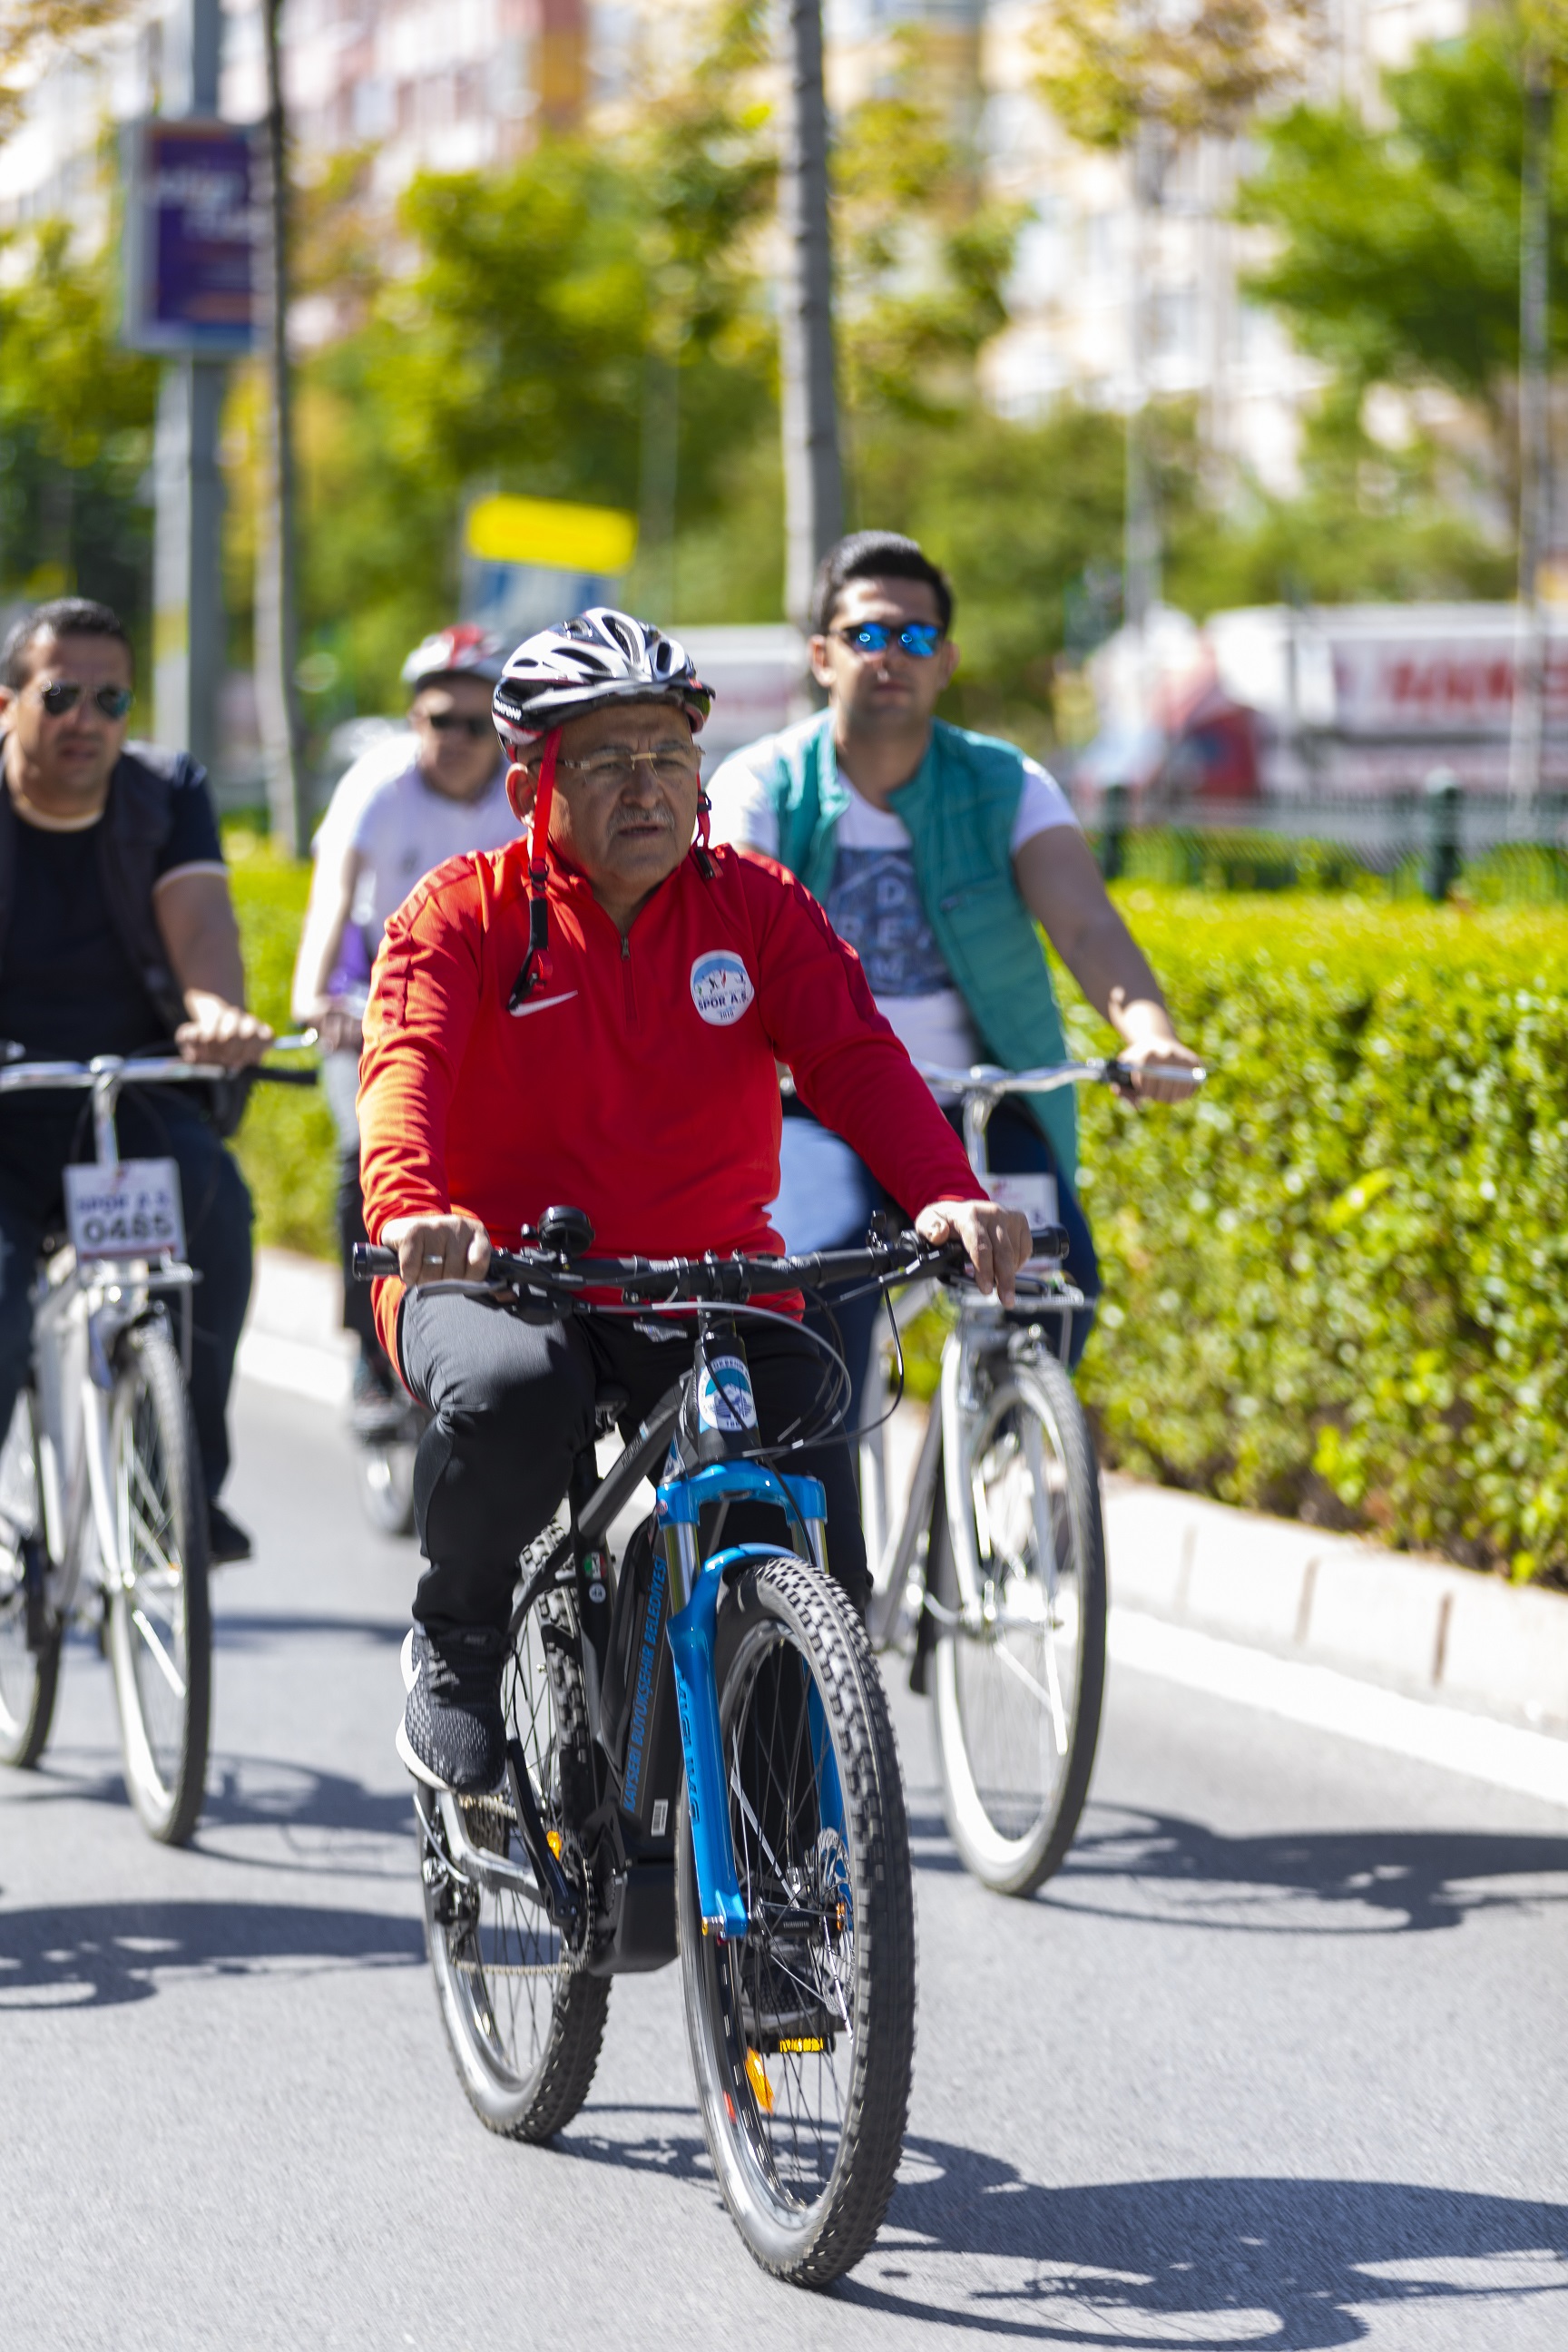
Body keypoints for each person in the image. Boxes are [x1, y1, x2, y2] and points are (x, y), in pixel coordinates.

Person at [356, 608, 1031, 1794]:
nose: (648, 787)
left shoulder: (756, 905)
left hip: (709, 1268)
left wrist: (944, 1194)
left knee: (801, 1428)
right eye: (609, 761)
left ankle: (782, 1869)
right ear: (531, 783)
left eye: (670, 757)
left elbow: (857, 1061)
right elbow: (402, 1069)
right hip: (502, 1272)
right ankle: (456, 1643)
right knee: (516, 1394)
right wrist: (414, 1210)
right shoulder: (458, 914)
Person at [705, 529, 1201, 1413]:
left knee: (1056, 1294)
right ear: (821, 656)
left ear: (947, 661)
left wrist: (1150, 1034)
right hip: (818, 1106)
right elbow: (732, 925)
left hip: (980, 1101)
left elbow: (1086, 927)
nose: (891, 654)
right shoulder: (762, 785)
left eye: (917, 637)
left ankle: (1001, 1466)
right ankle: (828, 1528)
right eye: (866, 634)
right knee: (816, 1291)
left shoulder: (1009, 784)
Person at [0, 597, 270, 1562]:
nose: (87, 720)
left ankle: (174, 1489)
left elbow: (199, 927)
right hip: (7, 1108)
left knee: (216, 1226)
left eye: (110, 699)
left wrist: (215, 1014)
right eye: (60, 694)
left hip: (127, 1096)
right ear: (8, 703)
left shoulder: (165, 790)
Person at [290, 625, 515, 1423]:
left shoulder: (524, 793)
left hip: (489, 1008)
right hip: (374, 1000)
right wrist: (313, 996)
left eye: (473, 723)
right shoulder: (376, 784)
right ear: (412, 720)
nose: (451, 739)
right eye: (434, 720)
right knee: (368, 1160)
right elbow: (330, 900)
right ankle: (365, 1349)